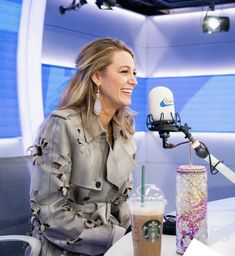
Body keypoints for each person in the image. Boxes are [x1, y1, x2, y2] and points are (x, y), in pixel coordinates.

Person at [25, 38, 138, 256]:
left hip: (114, 245)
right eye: (124, 71)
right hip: (65, 248)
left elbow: (121, 202)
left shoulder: (124, 130)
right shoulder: (62, 124)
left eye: (134, 73)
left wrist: (138, 231)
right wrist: (115, 237)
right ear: (97, 76)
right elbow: (50, 213)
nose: (133, 80)